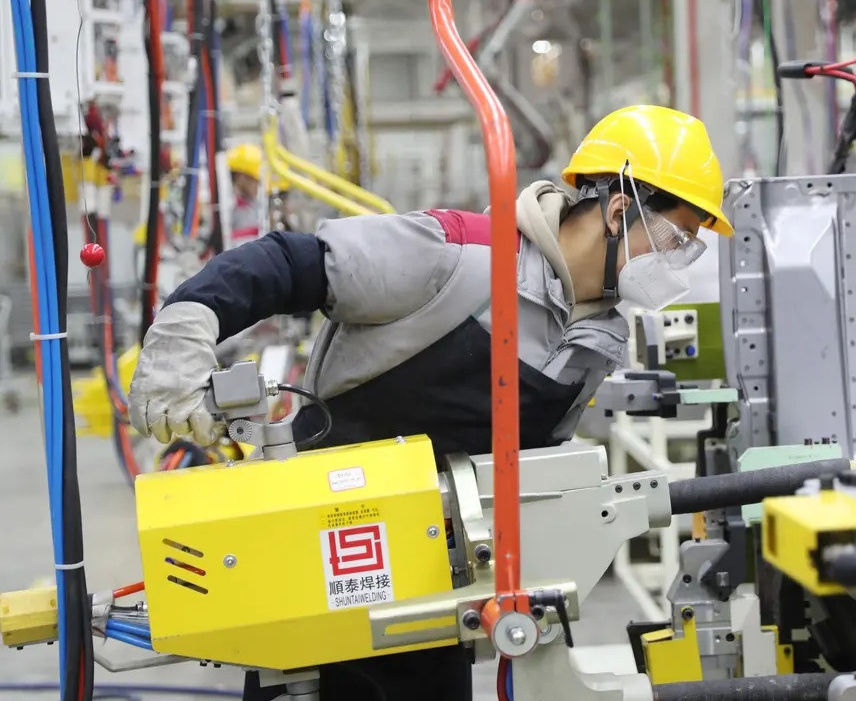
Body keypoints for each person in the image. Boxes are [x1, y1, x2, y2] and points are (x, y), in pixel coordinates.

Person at [127, 105, 731, 700]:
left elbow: (534, 471)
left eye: (689, 249)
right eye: (675, 238)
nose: (676, 262)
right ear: (619, 209)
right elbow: (289, 263)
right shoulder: (456, 255)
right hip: (325, 546)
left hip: (437, 592)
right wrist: (187, 327)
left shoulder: (598, 342)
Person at [225, 143, 265, 245]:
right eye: (255, 179)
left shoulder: (253, 203)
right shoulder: (229, 207)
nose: (258, 184)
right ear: (241, 177)